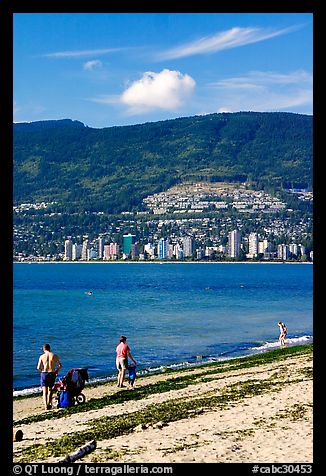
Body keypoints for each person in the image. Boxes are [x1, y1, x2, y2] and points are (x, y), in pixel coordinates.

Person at [37, 343, 62, 410]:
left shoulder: (42, 356)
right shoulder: (54, 355)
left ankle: (45, 406)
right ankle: (48, 403)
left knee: (45, 391)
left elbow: (38, 367)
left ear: (44, 349)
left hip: (44, 373)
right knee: (50, 389)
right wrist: (57, 371)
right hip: (52, 373)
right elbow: (60, 365)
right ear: (49, 348)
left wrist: (42, 371)